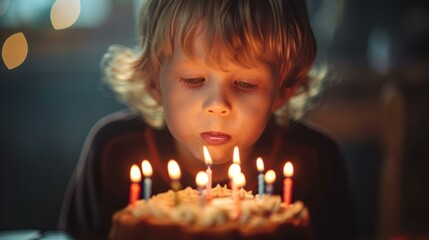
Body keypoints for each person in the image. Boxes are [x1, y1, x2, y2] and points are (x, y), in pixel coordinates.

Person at [58, 0, 358, 239]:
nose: (217, 105)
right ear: (153, 81)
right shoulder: (114, 152)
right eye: (193, 79)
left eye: (245, 84)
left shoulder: (316, 162)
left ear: (284, 89)